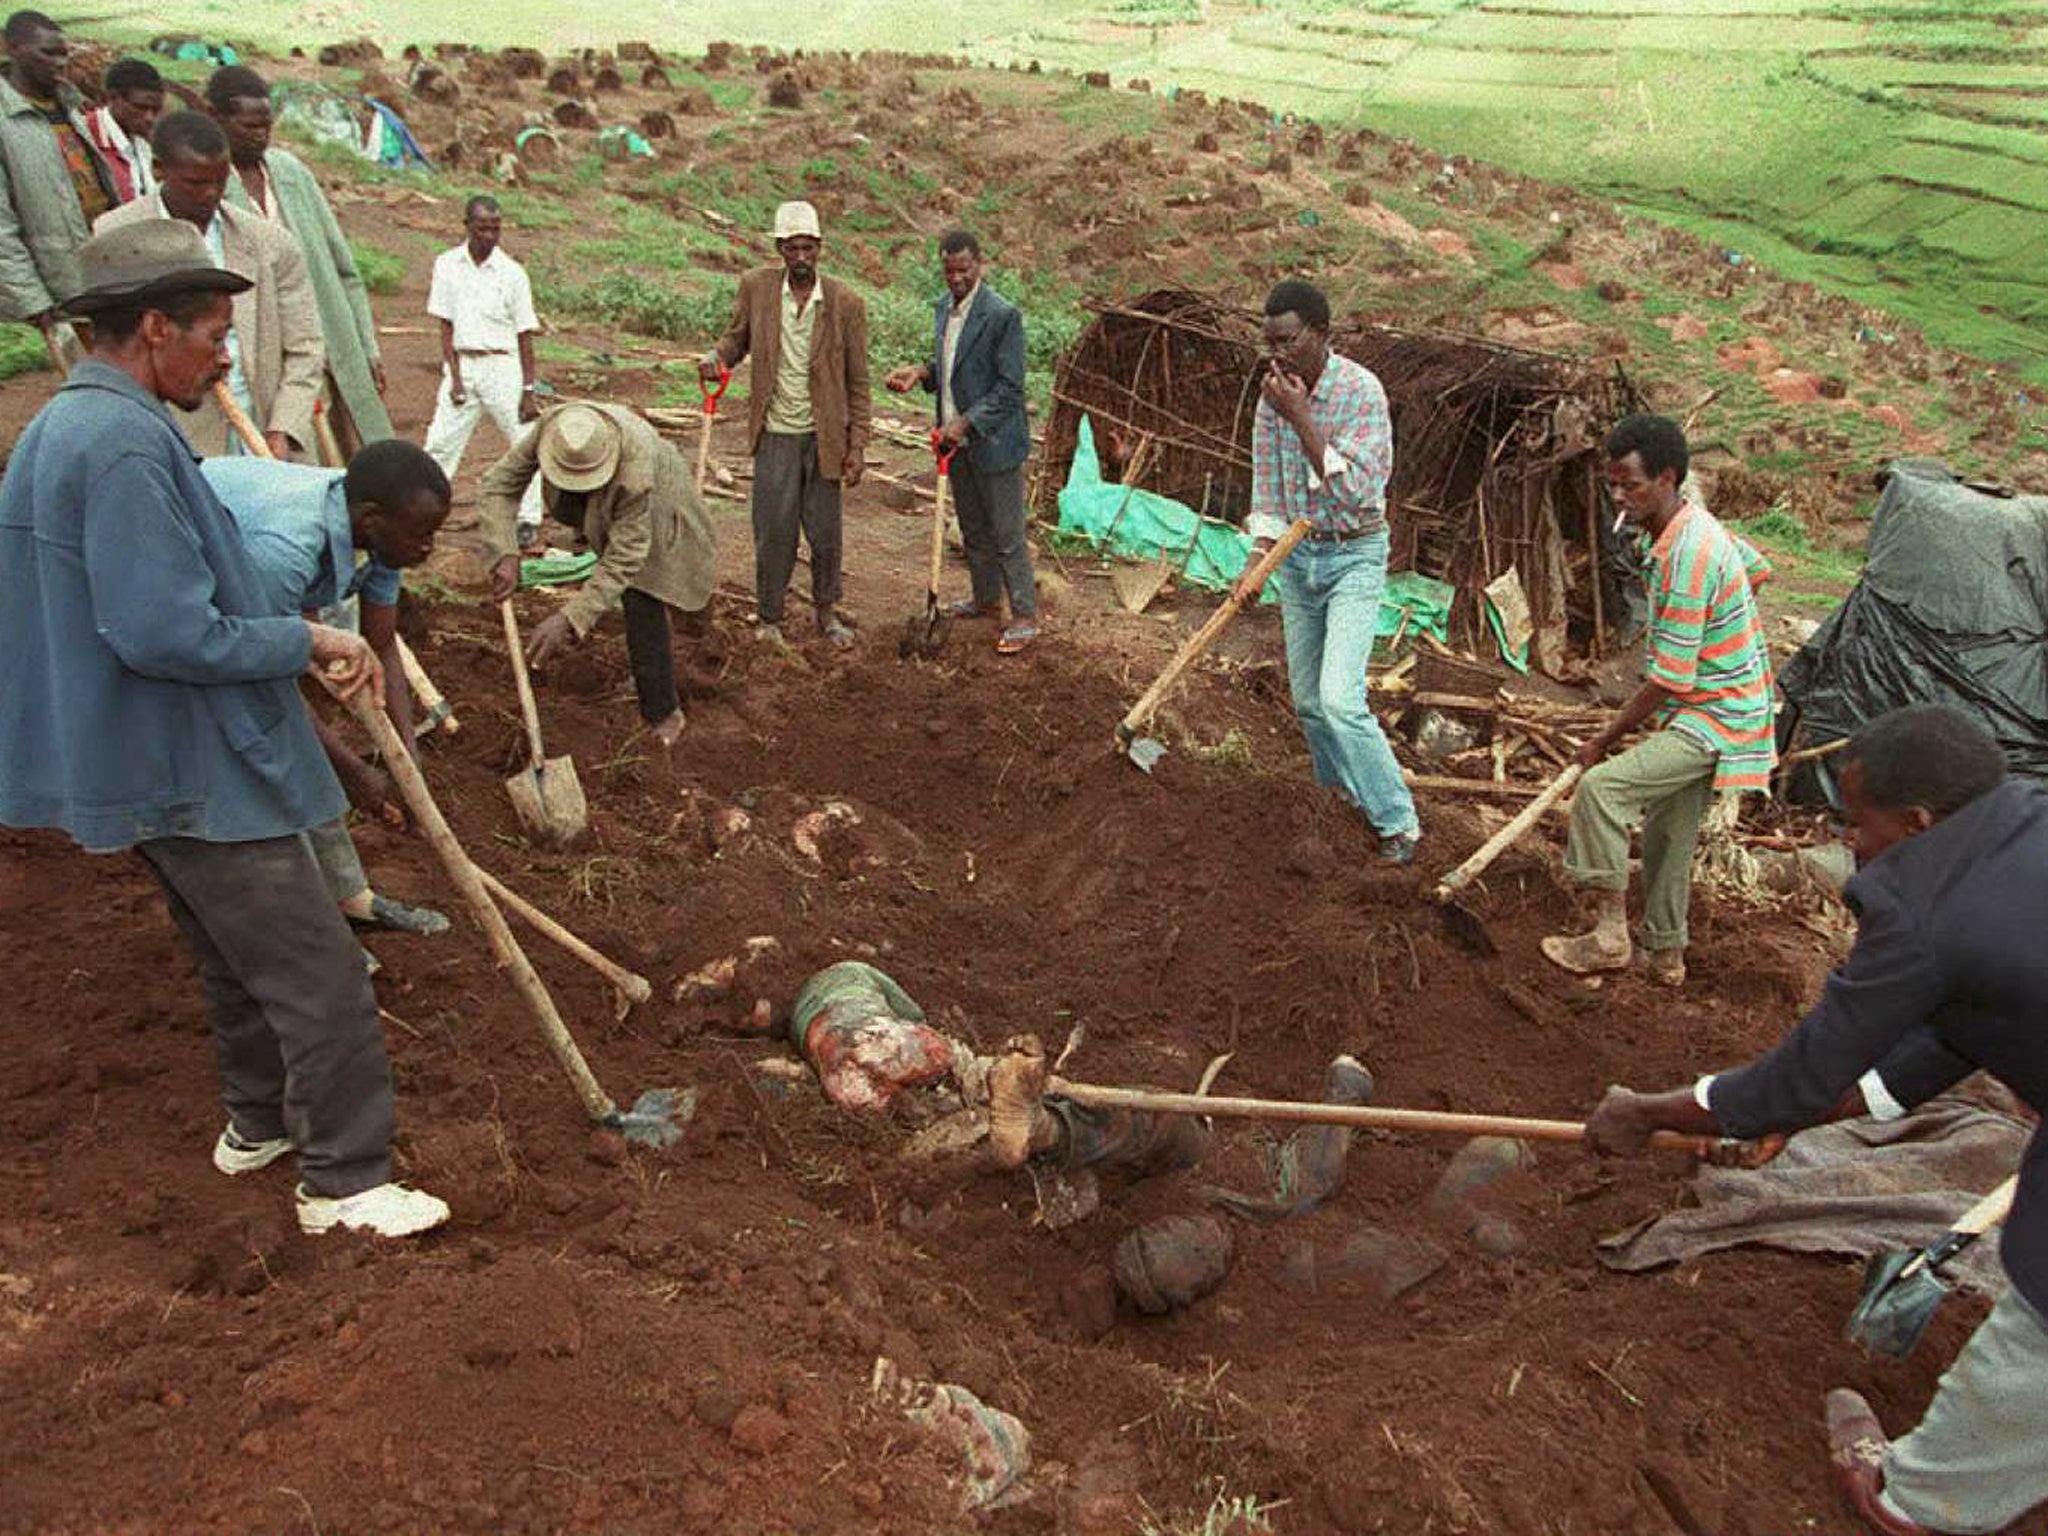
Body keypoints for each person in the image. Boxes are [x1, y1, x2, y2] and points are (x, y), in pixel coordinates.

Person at [0, 220, 447, 1237]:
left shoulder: (73, 423)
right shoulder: (117, 443)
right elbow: (162, 629)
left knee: (229, 953)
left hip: (147, 751)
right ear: (153, 327)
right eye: (213, 331)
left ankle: (258, 1125)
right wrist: (297, 641)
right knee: (319, 967)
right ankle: (345, 1181)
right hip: (187, 755)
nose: (226, 354)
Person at [1585, 704, 2048, 1536]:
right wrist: (1818, 1114)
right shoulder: (2024, 821)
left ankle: (1918, 1501)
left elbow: (1795, 1074)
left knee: (2041, 1308)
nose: (1851, 844)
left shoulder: (1920, 902)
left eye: (1855, 824)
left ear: (1917, 822)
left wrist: (1644, 1112)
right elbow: (1961, 1022)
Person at [1539, 414, 1773, 988]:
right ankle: (1665, 954)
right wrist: (1727, 622)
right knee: (1670, 829)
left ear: (1667, 478)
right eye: (1612, 484)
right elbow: (1757, 568)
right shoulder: (1691, 526)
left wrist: (1603, 739)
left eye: (1630, 485)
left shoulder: (1686, 553)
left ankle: (1609, 936)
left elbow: (1670, 677)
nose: (1618, 496)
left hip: (1716, 715)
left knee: (1602, 791)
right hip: (1716, 703)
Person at [202, 441, 454, 940]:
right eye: (422, 534)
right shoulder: (287, 547)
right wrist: (357, 773)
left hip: (250, 614)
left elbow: (382, 644)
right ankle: (299, 926)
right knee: (264, 750)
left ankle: (349, 898)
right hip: (190, 608)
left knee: (302, 749)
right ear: (372, 519)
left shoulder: (382, 530)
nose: (429, 546)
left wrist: (408, 760)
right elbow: (266, 676)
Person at [1232, 278, 1419, 865]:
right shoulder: (1270, 398)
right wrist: (1258, 558)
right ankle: (1338, 805)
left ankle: (1398, 823)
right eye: (1270, 344)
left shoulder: (1362, 394)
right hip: (1296, 553)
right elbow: (1267, 486)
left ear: (1321, 336)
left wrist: (1302, 418)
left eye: (1287, 342)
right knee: (1309, 701)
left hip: (1355, 554)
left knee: (1340, 699)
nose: (1278, 355)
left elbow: (1359, 494)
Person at [481, 400, 717, 749]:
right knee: (607, 553)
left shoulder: (636, 473)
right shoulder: (555, 428)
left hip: (662, 503)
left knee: (643, 591)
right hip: (607, 500)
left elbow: (625, 559)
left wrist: (569, 618)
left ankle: (664, 710)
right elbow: (500, 483)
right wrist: (505, 552)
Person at [94, 111, 323, 460]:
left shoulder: (271, 243)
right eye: (195, 183)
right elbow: (108, 352)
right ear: (159, 170)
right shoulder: (115, 238)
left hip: (262, 432)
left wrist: (285, 428)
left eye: (220, 181)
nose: (211, 194)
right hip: (169, 438)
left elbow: (305, 345)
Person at [702, 199, 870, 648]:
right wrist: (717, 358)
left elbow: (859, 381)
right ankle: (770, 617)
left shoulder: (845, 304)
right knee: (773, 529)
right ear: (780, 249)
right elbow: (737, 339)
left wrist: (857, 446)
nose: (801, 258)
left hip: (824, 436)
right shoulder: (756, 289)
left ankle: (826, 612)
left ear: (820, 248)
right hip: (775, 432)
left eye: (808, 249)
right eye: (792, 249)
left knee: (825, 531)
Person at [206, 64, 391, 454]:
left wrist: (366, 345)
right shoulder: (210, 192)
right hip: (272, 357)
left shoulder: (291, 173)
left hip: (332, 341)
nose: (260, 135)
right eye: (248, 126)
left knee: (358, 455)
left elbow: (344, 270)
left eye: (265, 125)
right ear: (216, 120)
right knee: (294, 456)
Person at [885, 228, 1038, 654]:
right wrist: (921, 373)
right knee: (972, 528)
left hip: (994, 441)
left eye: (964, 270)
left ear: (980, 265)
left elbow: (1010, 387)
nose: (956, 279)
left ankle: (1024, 615)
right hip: (956, 442)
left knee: (1007, 533)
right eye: (949, 270)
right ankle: (986, 601)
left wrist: (967, 423)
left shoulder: (1002, 315)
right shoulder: (943, 310)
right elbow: (952, 367)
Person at [422, 194, 542, 536]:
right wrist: (455, 378)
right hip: (463, 363)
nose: (490, 235)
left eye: (495, 228)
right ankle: (425, 512)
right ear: (467, 227)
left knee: (524, 443)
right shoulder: (447, 265)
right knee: (440, 443)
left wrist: (528, 389)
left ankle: (528, 519)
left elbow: (524, 335)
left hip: (503, 366)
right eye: (482, 228)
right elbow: (445, 324)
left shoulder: (512, 274)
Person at [0, 11, 115, 357]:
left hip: (101, 275)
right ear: (13, 48)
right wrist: (31, 298)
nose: (60, 63)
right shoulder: (6, 121)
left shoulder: (69, 105)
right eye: (47, 53)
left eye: (63, 53)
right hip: (56, 290)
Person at [82, 57, 162, 204]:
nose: (150, 118)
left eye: (155, 110)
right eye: (140, 108)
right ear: (113, 98)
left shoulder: (144, 142)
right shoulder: (84, 137)